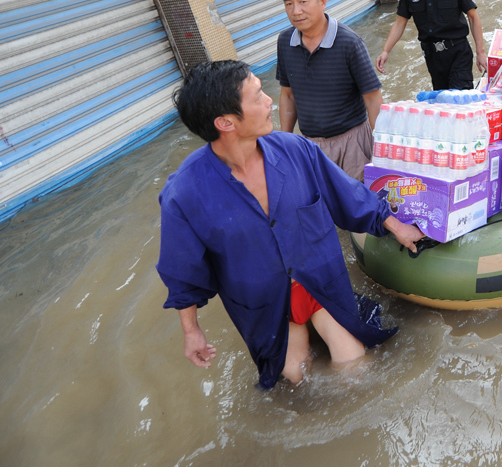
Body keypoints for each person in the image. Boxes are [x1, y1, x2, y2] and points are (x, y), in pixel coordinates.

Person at [156, 60, 425, 389]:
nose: (271, 101)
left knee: (354, 366)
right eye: (257, 97)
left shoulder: (296, 150)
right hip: (267, 302)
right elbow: (182, 268)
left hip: (320, 283)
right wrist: (191, 330)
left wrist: (393, 223)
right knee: (296, 379)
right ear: (225, 122)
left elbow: (348, 194)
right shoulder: (184, 193)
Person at [277, 0, 382, 182]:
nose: (296, 11)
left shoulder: (349, 42)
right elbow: (288, 95)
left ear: (322, 1)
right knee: (323, 204)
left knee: (361, 203)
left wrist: (381, 145)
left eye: (302, 2)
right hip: (311, 145)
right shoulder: (285, 41)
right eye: (289, 4)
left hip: (352, 142)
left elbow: (372, 97)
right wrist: (286, 142)